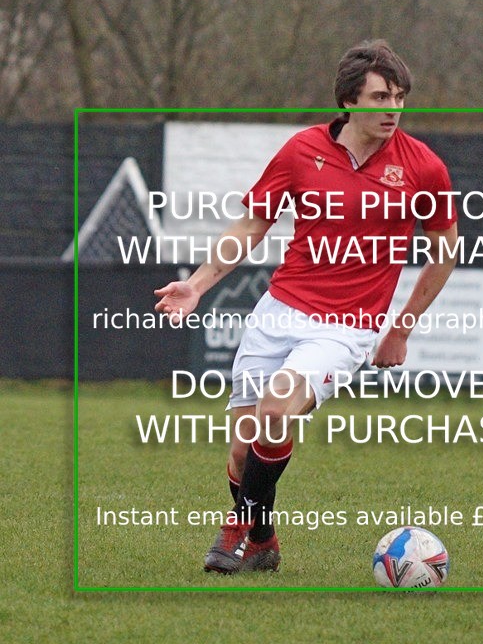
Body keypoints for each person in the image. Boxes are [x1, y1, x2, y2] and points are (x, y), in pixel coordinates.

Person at [154, 39, 458, 574]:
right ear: (348, 100)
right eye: (380, 97)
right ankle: (264, 539)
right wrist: (198, 284)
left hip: (345, 327)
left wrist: (401, 328)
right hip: (278, 311)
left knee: (275, 410)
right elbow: (253, 224)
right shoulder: (301, 151)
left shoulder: (422, 167)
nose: (393, 109)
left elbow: (445, 250)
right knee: (244, 452)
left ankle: (238, 528)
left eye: (401, 98)